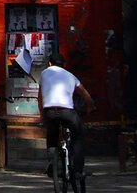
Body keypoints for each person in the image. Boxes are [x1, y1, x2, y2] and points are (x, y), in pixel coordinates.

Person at [38, 51, 93, 188]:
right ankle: (78, 170)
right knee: (79, 135)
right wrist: (91, 106)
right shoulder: (70, 76)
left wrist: (42, 115)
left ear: (50, 63)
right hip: (68, 112)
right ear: (64, 65)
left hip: (50, 111)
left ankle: (52, 159)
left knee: (52, 131)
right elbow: (85, 94)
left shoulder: (44, 73)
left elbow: (40, 97)